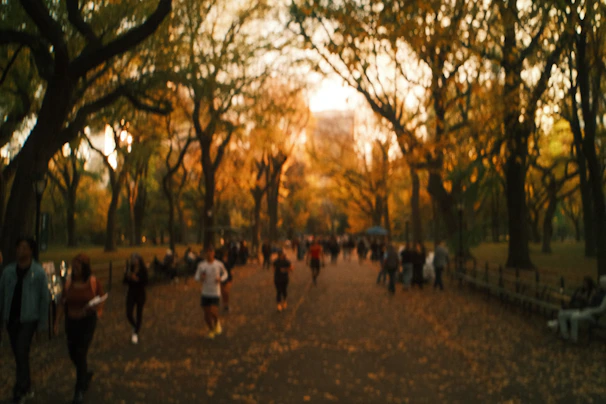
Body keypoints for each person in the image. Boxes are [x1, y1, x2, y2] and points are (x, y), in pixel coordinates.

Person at [0, 238, 50, 404]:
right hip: (11, 318)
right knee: (19, 354)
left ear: (30, 251)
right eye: (18, 247)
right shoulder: (8, 272)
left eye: (24, 247)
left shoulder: (38, 272)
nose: (20, 251)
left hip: (29, 319)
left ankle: (19, 388)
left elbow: (44, 299)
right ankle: (26, 385)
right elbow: (2, 295)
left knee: (21, 351)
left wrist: (42, 325)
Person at [54, 253, 105, 404]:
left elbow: (101, 298)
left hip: (87, 322)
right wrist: (57, 322)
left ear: (85, 267)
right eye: (73, 265)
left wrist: (97, 309)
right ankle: (84, 374)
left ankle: (79, 389)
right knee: (73, 353)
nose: (75, 268)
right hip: (71, 321)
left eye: (78, 265)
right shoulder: (69, 283)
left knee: (81, 352)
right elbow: (62, 303)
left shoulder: (93, 281)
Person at [550, 275, 606, 343]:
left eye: (602, 283)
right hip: (585, 311)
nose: (600, 284)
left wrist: (588, 309)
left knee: (574, 317)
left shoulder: (603, 295)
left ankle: (574, 339)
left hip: (593, 315)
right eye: (600, 282)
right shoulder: (599, 292)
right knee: (562, 314)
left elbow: (601, 309)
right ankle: (565, 335)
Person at [194, 247, 228, 339]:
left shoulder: (218, 264)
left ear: (213, 253)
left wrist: (220, 279)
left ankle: (217, 323)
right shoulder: (201, 265)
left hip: (215, 292)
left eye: (210, 252)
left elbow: (225, 273)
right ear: (205, 254)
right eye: (207, 252)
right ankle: (211, 329)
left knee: (213, 311)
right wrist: (201, 278)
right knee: (206, 313)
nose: (209, 254)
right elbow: (196, 276)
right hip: (205, 292)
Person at [124, 253, 148, 344]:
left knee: (139, 313)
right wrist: (127, 277)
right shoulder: (130, 269)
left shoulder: (143, 270)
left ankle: (136, 333)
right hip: (131, 293)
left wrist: (137, 279)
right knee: (129, 313)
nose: (133, 260)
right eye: (132, 258)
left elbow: (145, 282)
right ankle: (135, 326)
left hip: (140, 294)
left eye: (135, 258)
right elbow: (125, 282)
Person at [218, 247, 234, 313]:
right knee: (224, 293)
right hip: (222, 278)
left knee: (226, 293)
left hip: (228, 278)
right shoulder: (220, 261)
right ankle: (225, 305)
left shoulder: (228, 259)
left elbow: (229, 269)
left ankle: (226, 305)